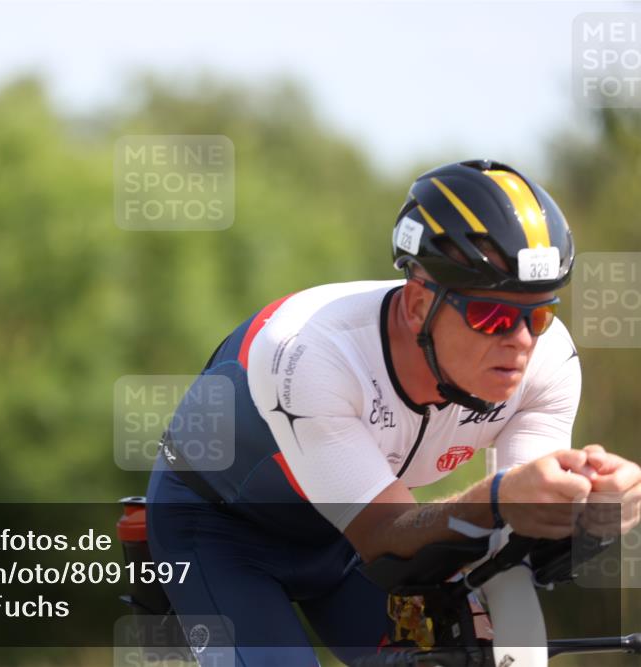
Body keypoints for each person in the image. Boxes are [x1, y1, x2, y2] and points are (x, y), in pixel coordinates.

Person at [144, 159, 641, 666]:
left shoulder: (549, 358)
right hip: (221, 532)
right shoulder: (311, 355)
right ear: (418, 304)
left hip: (344, 539)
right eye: (491, 315)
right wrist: (497, 498)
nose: (520, 341)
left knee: (466, 655)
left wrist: (590, 512)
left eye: (538, 314)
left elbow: (514, 537)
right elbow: (385, 537)